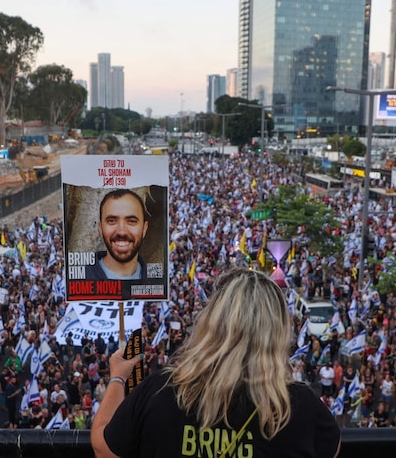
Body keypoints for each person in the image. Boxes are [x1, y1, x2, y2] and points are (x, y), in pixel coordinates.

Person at [92, 268, 341, 458]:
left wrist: (117, 378)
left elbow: (104, 448)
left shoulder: (160, 389)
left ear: (210, 322)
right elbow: (332, 448)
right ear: (277, 332)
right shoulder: (299, 405)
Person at [85, 189, 149, 280]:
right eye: (112, 221)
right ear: (100, 228)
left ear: (144, 228)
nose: (121, 232)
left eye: (131, 221)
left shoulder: (158, 281)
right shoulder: (80, 278)